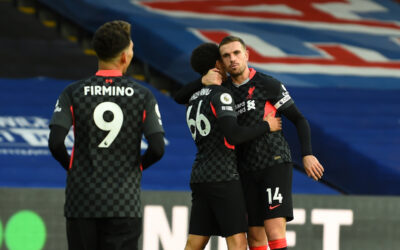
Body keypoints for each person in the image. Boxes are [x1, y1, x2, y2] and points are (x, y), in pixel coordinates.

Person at [175, 36, 324, 250]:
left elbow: (299, 119)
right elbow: (180, 96)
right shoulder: (223, 89)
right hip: (244, 168)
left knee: (274, 230)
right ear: (221, 63)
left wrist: (307, 153)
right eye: (226, 56)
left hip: (273, 161)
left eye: (236, 53)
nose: (232, 59)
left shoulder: (267, 84)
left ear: (247, 55)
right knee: (254, 237)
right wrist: (203, 80)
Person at [48, 20, 165, 250]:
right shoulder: (143, 96)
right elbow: (158, 148)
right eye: (131, 48)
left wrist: (73, 169)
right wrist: (137, 168)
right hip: (123, 204)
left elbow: (55, 144)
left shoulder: (73, 92)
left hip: (81, 203)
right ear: (124, 57)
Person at [184, 43, 282, 250]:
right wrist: (266, 125)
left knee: (195, 240)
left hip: (200, 175)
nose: (230, 62)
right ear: (217, 65)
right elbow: (234, 135)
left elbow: (179, 96)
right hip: (223, 175)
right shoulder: (221, 95)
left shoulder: (192, 98)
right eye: (224, 58)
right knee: (237, 241)